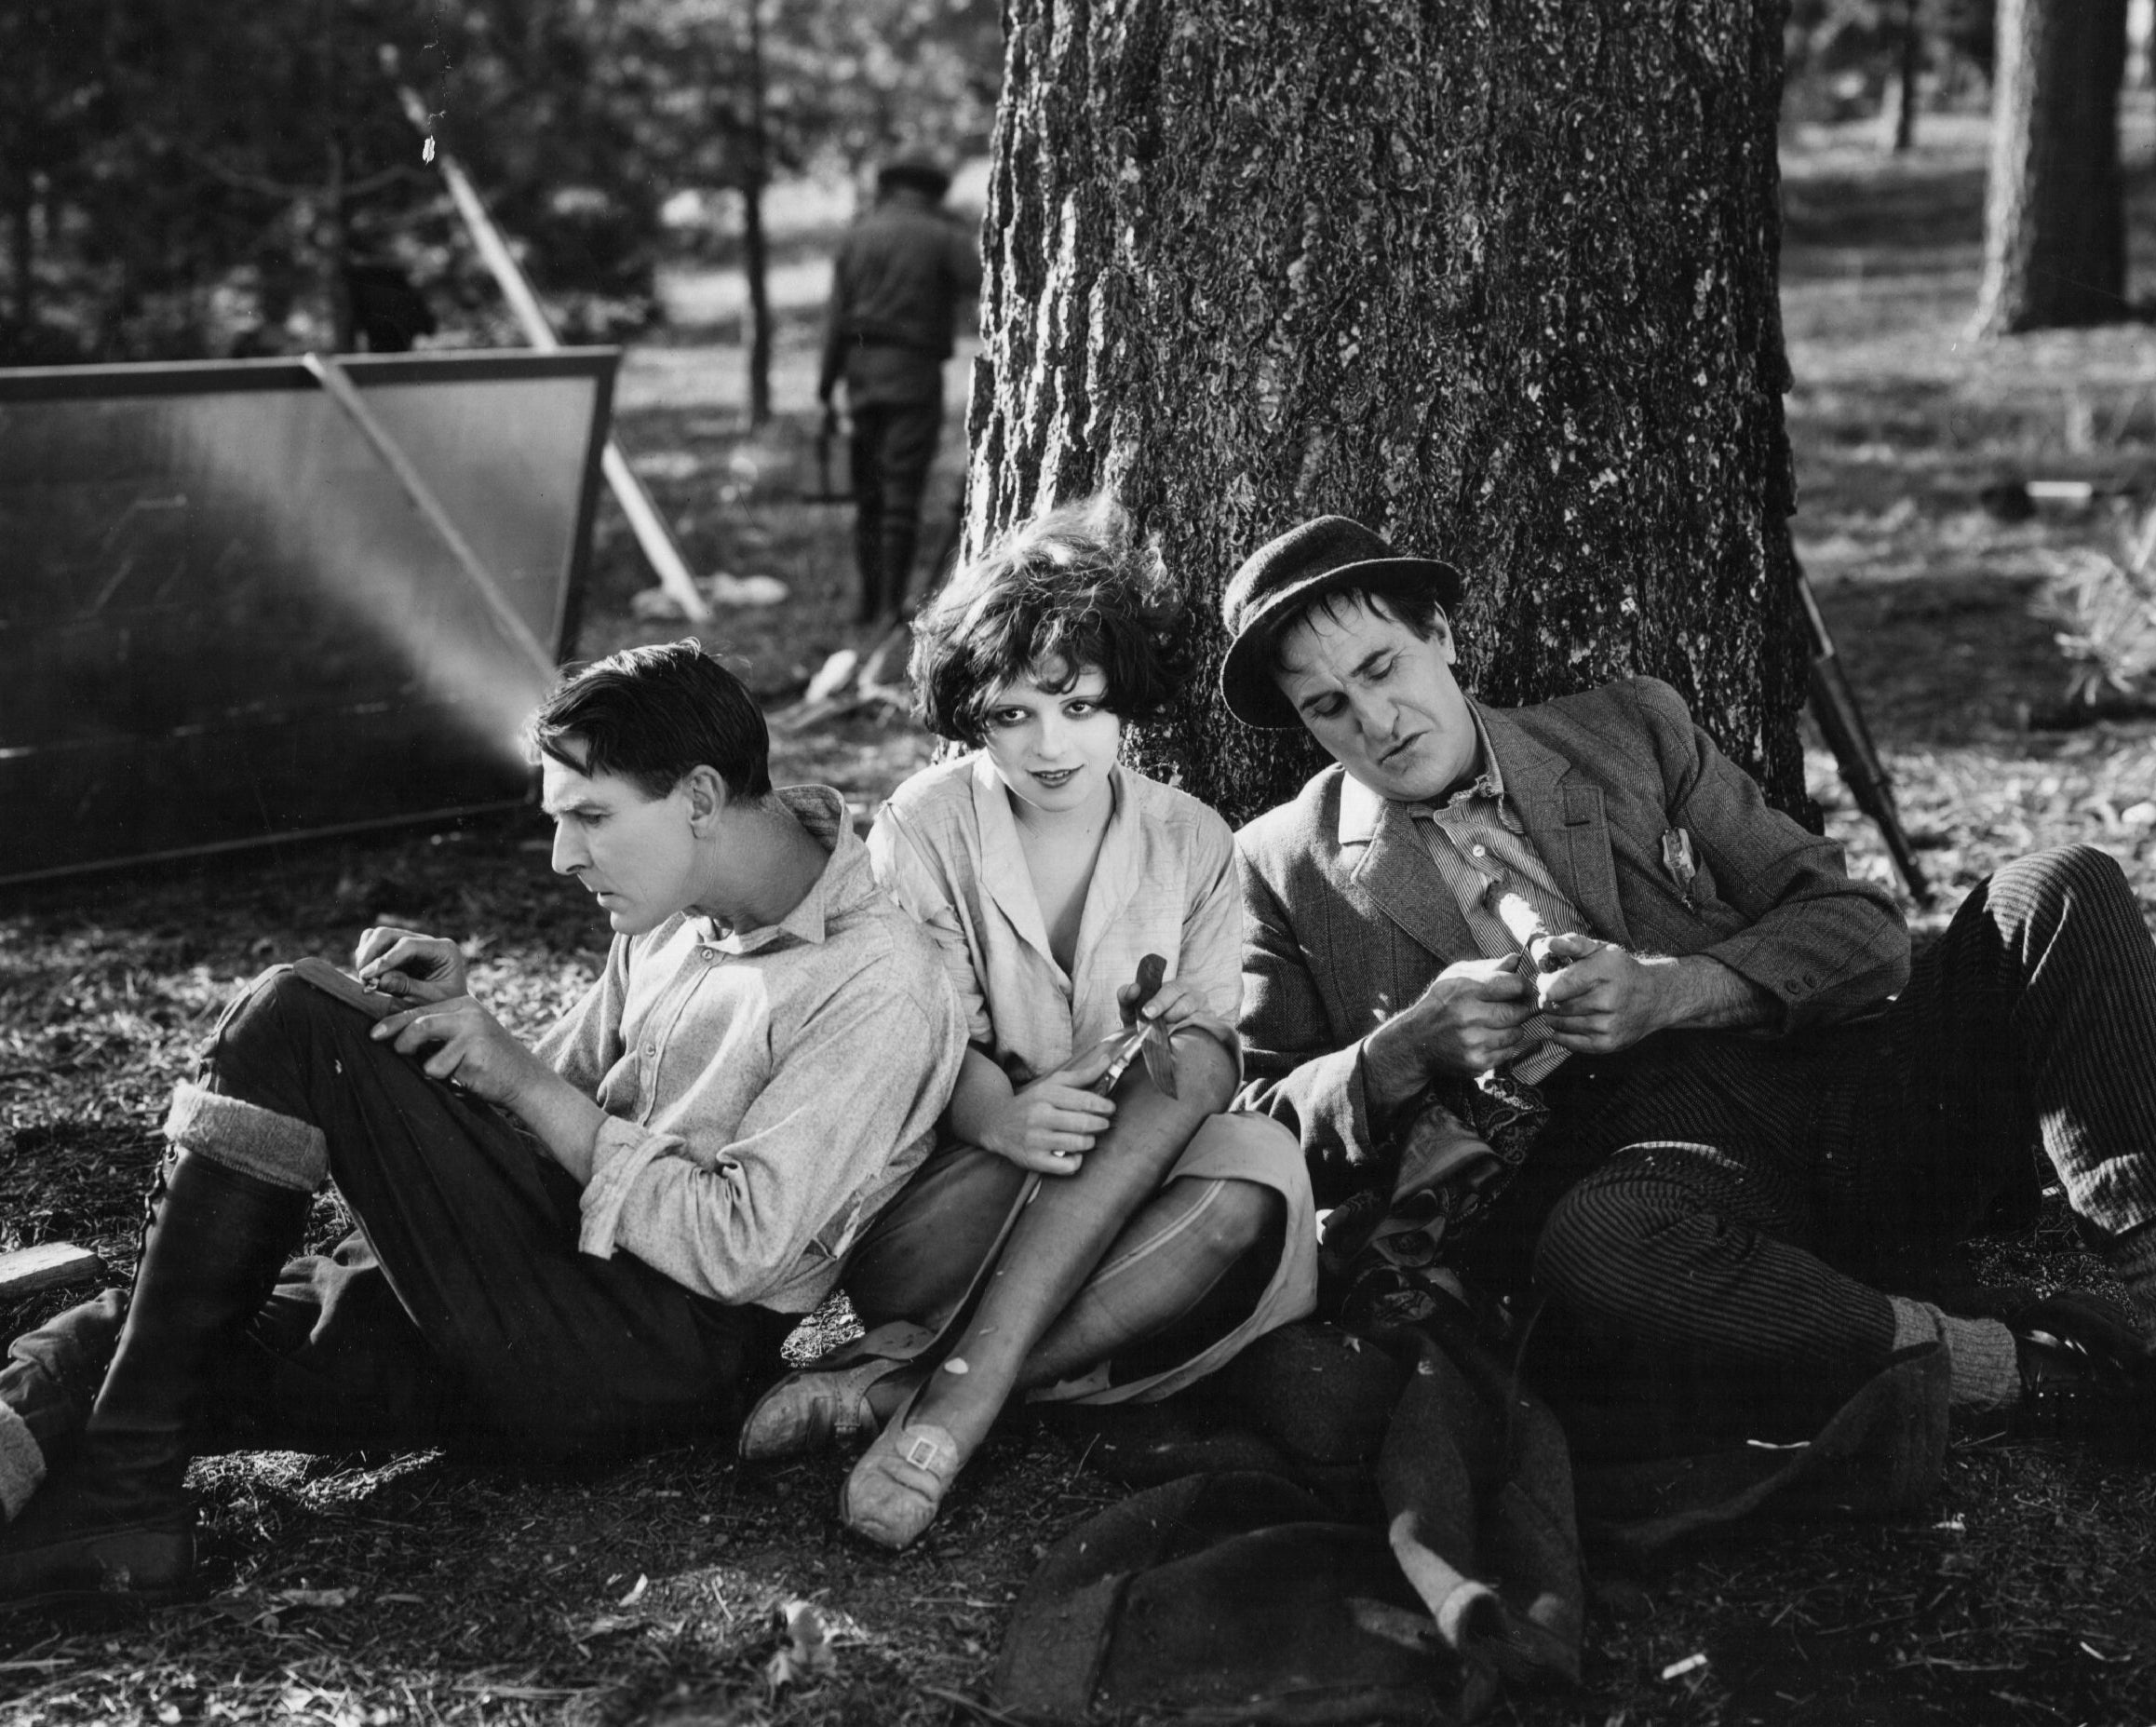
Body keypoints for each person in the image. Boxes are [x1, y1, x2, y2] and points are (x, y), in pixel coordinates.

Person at [1219, 513, 2156, 1554]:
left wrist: (1675, 988)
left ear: (1441, 638)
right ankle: (2023, 1368)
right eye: (1325, 707)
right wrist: (1403, 1048)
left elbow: (1863, 932)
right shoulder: (1278, 863)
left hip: (1838, 1101)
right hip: (1655, 1184)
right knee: (1594, 1248)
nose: (1373, 723)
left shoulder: (1625, 730)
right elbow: (1260, 1121)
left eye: (1379, 668)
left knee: (2057, 885)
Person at [0, 641, 965, 1607]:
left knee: (294, 1019)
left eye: (590, 817)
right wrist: (471, 1041)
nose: (562, 856)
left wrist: (512, 1080)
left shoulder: (879, 980)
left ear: (702, 798)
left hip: (640, 1355)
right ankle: (118, 1518)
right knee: (102, 1347)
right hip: (526, 1284)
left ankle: (127, 1500)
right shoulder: (676, 909)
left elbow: (739, 1245)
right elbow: (555, 1093)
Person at [740, 500, 1317, 1550]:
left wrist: (1135, 1068)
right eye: (1011, 715)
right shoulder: (924, 818)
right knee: (1181, 1075)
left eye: (1080, 707)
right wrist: (998, 1112)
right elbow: (908, 1018)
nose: (1049, 745)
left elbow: (1202, 1055)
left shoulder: (1190, 837)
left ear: (1123, 700)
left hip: (1125, 1190)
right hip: (946, 1203)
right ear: (973, 713)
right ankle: (953, 1403)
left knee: (1246, 1165)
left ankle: (919, 1388)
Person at [818, 154, 982, 628]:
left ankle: (868, 605)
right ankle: (892, 607)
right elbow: (992, 285)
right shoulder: (942, 236)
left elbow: (834, 318)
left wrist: (826, 387)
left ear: (888, 189)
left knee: (868, 495)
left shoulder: (857, 235)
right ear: (933, 193)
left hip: (860, 374)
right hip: (913, 374)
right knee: (900, 494)